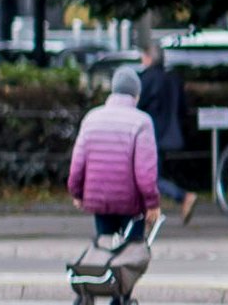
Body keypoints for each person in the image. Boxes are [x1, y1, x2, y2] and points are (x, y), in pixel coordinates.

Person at [67, 63, 162, 234]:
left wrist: (77, 193)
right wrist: (152, 203)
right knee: (131, 254)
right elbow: (145, 173)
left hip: (99, 200)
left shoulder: (91, 118)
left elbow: (77, 164)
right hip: (131, 204)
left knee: (104, 251)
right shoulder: (142, 122)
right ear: (137, 94)